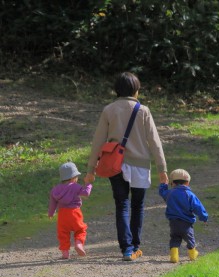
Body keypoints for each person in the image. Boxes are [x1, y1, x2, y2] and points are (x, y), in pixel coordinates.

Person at [85, 72, 168, 261]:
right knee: (138, 206)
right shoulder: (143, 110)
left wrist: (91, 170)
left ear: (117, 91)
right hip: (140, 166)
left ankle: (127, 249)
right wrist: (162, 169)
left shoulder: (109, 110)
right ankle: (135, 246)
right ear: (136, 91)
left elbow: (98, 142)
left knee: (122, 205)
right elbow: (155, 142)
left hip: (116, 165)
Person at [159, 168, 208, 263]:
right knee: (190, 239)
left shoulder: (169, 193)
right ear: (187, 183)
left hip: (173, 223)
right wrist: (204, 217)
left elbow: (162, 192)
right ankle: (192, 254)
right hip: (186, 223)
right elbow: (198, 207)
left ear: (172, 183)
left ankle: (174, 256)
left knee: (175, 238)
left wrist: (163, 184)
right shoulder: (190, 195)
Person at [48, 162, 93, 259]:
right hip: (75, 213)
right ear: (73, 177)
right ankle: (78, 244)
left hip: (62, 215)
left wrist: (51, 213)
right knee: (80, 229)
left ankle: (65, 252)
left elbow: (52, 202)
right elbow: (86, 193)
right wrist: (88, 184)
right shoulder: (75, 186)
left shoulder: (56, 189)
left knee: (63, 233)